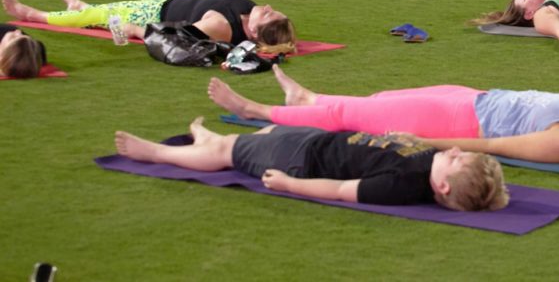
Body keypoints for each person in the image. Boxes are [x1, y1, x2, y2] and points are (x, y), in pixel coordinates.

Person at [207, 63, 559, 162]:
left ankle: (251, 108)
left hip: (458, 122)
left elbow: (495, 147)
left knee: (351, 118)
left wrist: (427, 146)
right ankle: (306, 99)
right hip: (474, 96)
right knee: (378, 101)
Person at [114, 117, 508, 211]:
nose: (454, 151)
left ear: (441, 187)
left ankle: (156, 153)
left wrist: (289, 185)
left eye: (457, 160)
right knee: (265, 131)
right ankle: (205, 136)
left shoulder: (405, 186)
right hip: (318, 141)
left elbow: (339, 190)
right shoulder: (430, 160)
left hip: (301, 162)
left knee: (227, 154)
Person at [2, 0, 296, 52]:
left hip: (155, 16)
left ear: (254, 30)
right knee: (107, 9)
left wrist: (133, 30)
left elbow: (172, 36)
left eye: (268, 13)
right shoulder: (247, 14)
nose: (268, 5)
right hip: (166, 2)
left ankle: (36, 16)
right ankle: (83, 7)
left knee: (98, 17)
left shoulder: (220, 28)